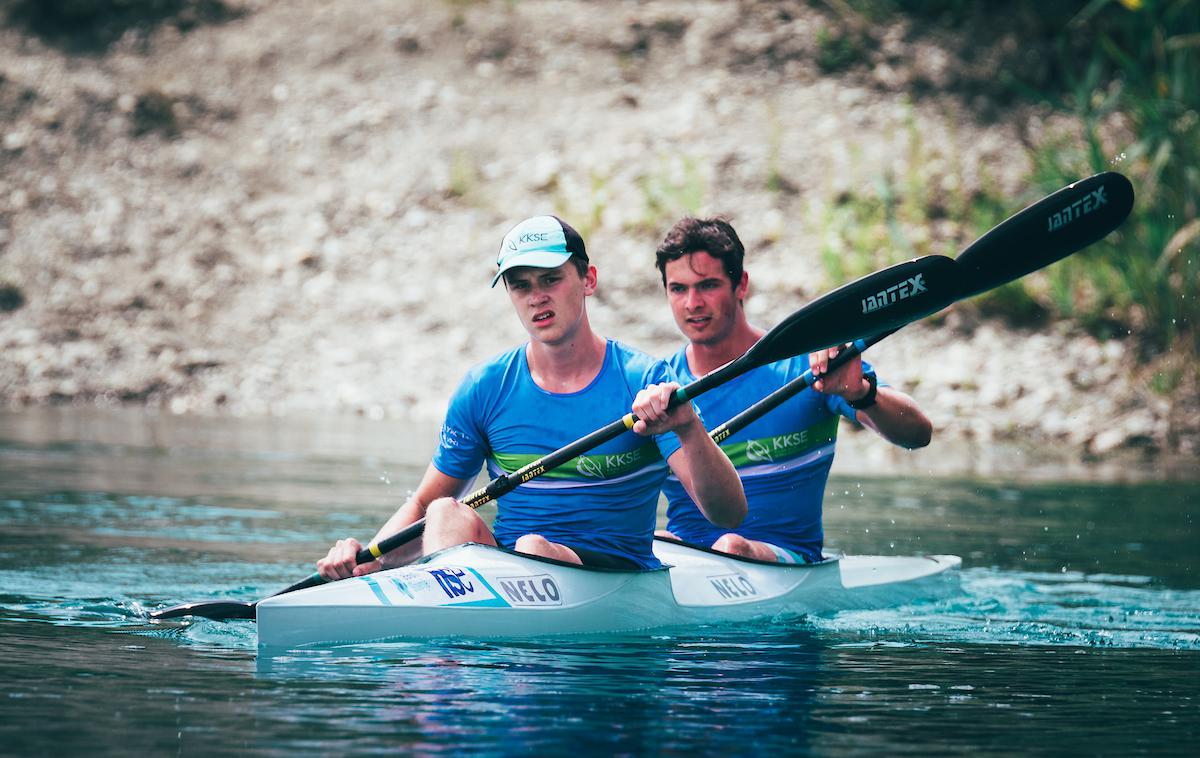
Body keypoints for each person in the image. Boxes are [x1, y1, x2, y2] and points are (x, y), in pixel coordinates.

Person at [318, 215, 746, 578]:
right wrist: (363, 562)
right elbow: (423, 503)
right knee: (446, 513)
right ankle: (445, 662)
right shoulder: (485, 388)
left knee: (535, 547)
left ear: (587, 280)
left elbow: (728, 515)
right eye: (520, 285)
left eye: (550, 279)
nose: (536, 296)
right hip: (514, 574)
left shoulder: (645, 380)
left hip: (615, 574)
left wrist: (688, 427)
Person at [654, 217, 932, 564]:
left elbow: (918, 434)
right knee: (649, 540)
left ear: (741, 285)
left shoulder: (807, 363)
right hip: (686, 558)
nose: (692, 303)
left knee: (730, 545)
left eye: (707, 285)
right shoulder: (658, 386)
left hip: (784, 558)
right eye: (678, 289)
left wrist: (862, 393)